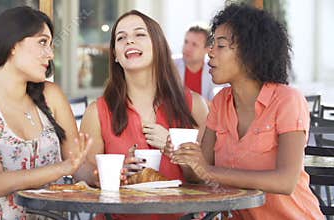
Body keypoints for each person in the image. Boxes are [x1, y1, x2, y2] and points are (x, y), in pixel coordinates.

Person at [169, 4, 324, 219]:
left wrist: (208, 171)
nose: (210, 52)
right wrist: (185, 156)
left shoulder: (287, 100)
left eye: (220, 46)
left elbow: (286, 181)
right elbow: (199, 176)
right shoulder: (221, 102)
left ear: (251, 54)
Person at [0, 6, 92, 219]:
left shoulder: (52, 96)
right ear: (12, 44)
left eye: (51, 44)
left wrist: (107, 173)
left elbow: (77, 165)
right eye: (42, 42)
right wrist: (62, 168)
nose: (50, 54)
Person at [77, 10, 208, 220]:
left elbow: (205, 179)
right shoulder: (97, 111)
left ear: (158, 45)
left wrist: (173, 147)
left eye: (139, 34)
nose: (129, 41)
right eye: (121, 38)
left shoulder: (195, 105)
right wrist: (108, 173)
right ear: (115, 55)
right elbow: (81, 170)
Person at [174, 25, 216, 101]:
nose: (187, 48)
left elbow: (217, 105)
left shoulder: (215, 70)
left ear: (207, 49)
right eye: (186, 42)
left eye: (194, 44)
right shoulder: (170, 65)